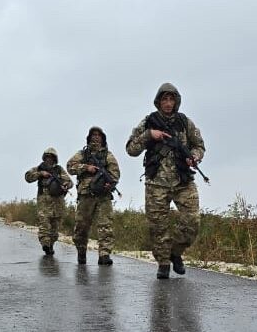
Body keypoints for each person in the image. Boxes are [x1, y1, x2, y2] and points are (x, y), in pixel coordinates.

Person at [126, 83, 206, 279]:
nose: (168, 103)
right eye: (164, 99)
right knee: (158, 227)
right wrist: (148, 135)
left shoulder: (185, 122)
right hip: (156, 183)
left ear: (176, 101)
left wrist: (194, 157)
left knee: (192, 221)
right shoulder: (148, 122)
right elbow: (131, 149)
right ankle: (163, 263)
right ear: (158, 101)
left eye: (171, 99)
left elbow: (200, 146)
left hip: (182, 181)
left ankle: (175, 253)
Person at [66, 126, 120, 266]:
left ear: (103, 138)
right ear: (89, 138)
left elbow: (115, 174)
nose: (96, 137)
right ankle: (81, 251)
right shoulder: (82, 154)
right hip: (86, 195)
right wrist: (85, 168)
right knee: (82, 226)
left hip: (103, 196)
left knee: (105, 225)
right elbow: (70, 166)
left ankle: (104, 254)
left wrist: (110, 184)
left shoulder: (108, 155)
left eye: (99, 135)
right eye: (93, 135)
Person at [24, 147, 73, 255]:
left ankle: (51, 245)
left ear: (55, 158)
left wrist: (65, 185)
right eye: (47, 157)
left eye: (51, 157)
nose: (49, 159)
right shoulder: (39, 168)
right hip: (44, 202)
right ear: (44, 158)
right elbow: (28, 177)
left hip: (57, 203)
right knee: (44, 225)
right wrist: (40, 174)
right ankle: (45, 244)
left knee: (55, 228)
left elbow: (70, 182)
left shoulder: (59, 170)